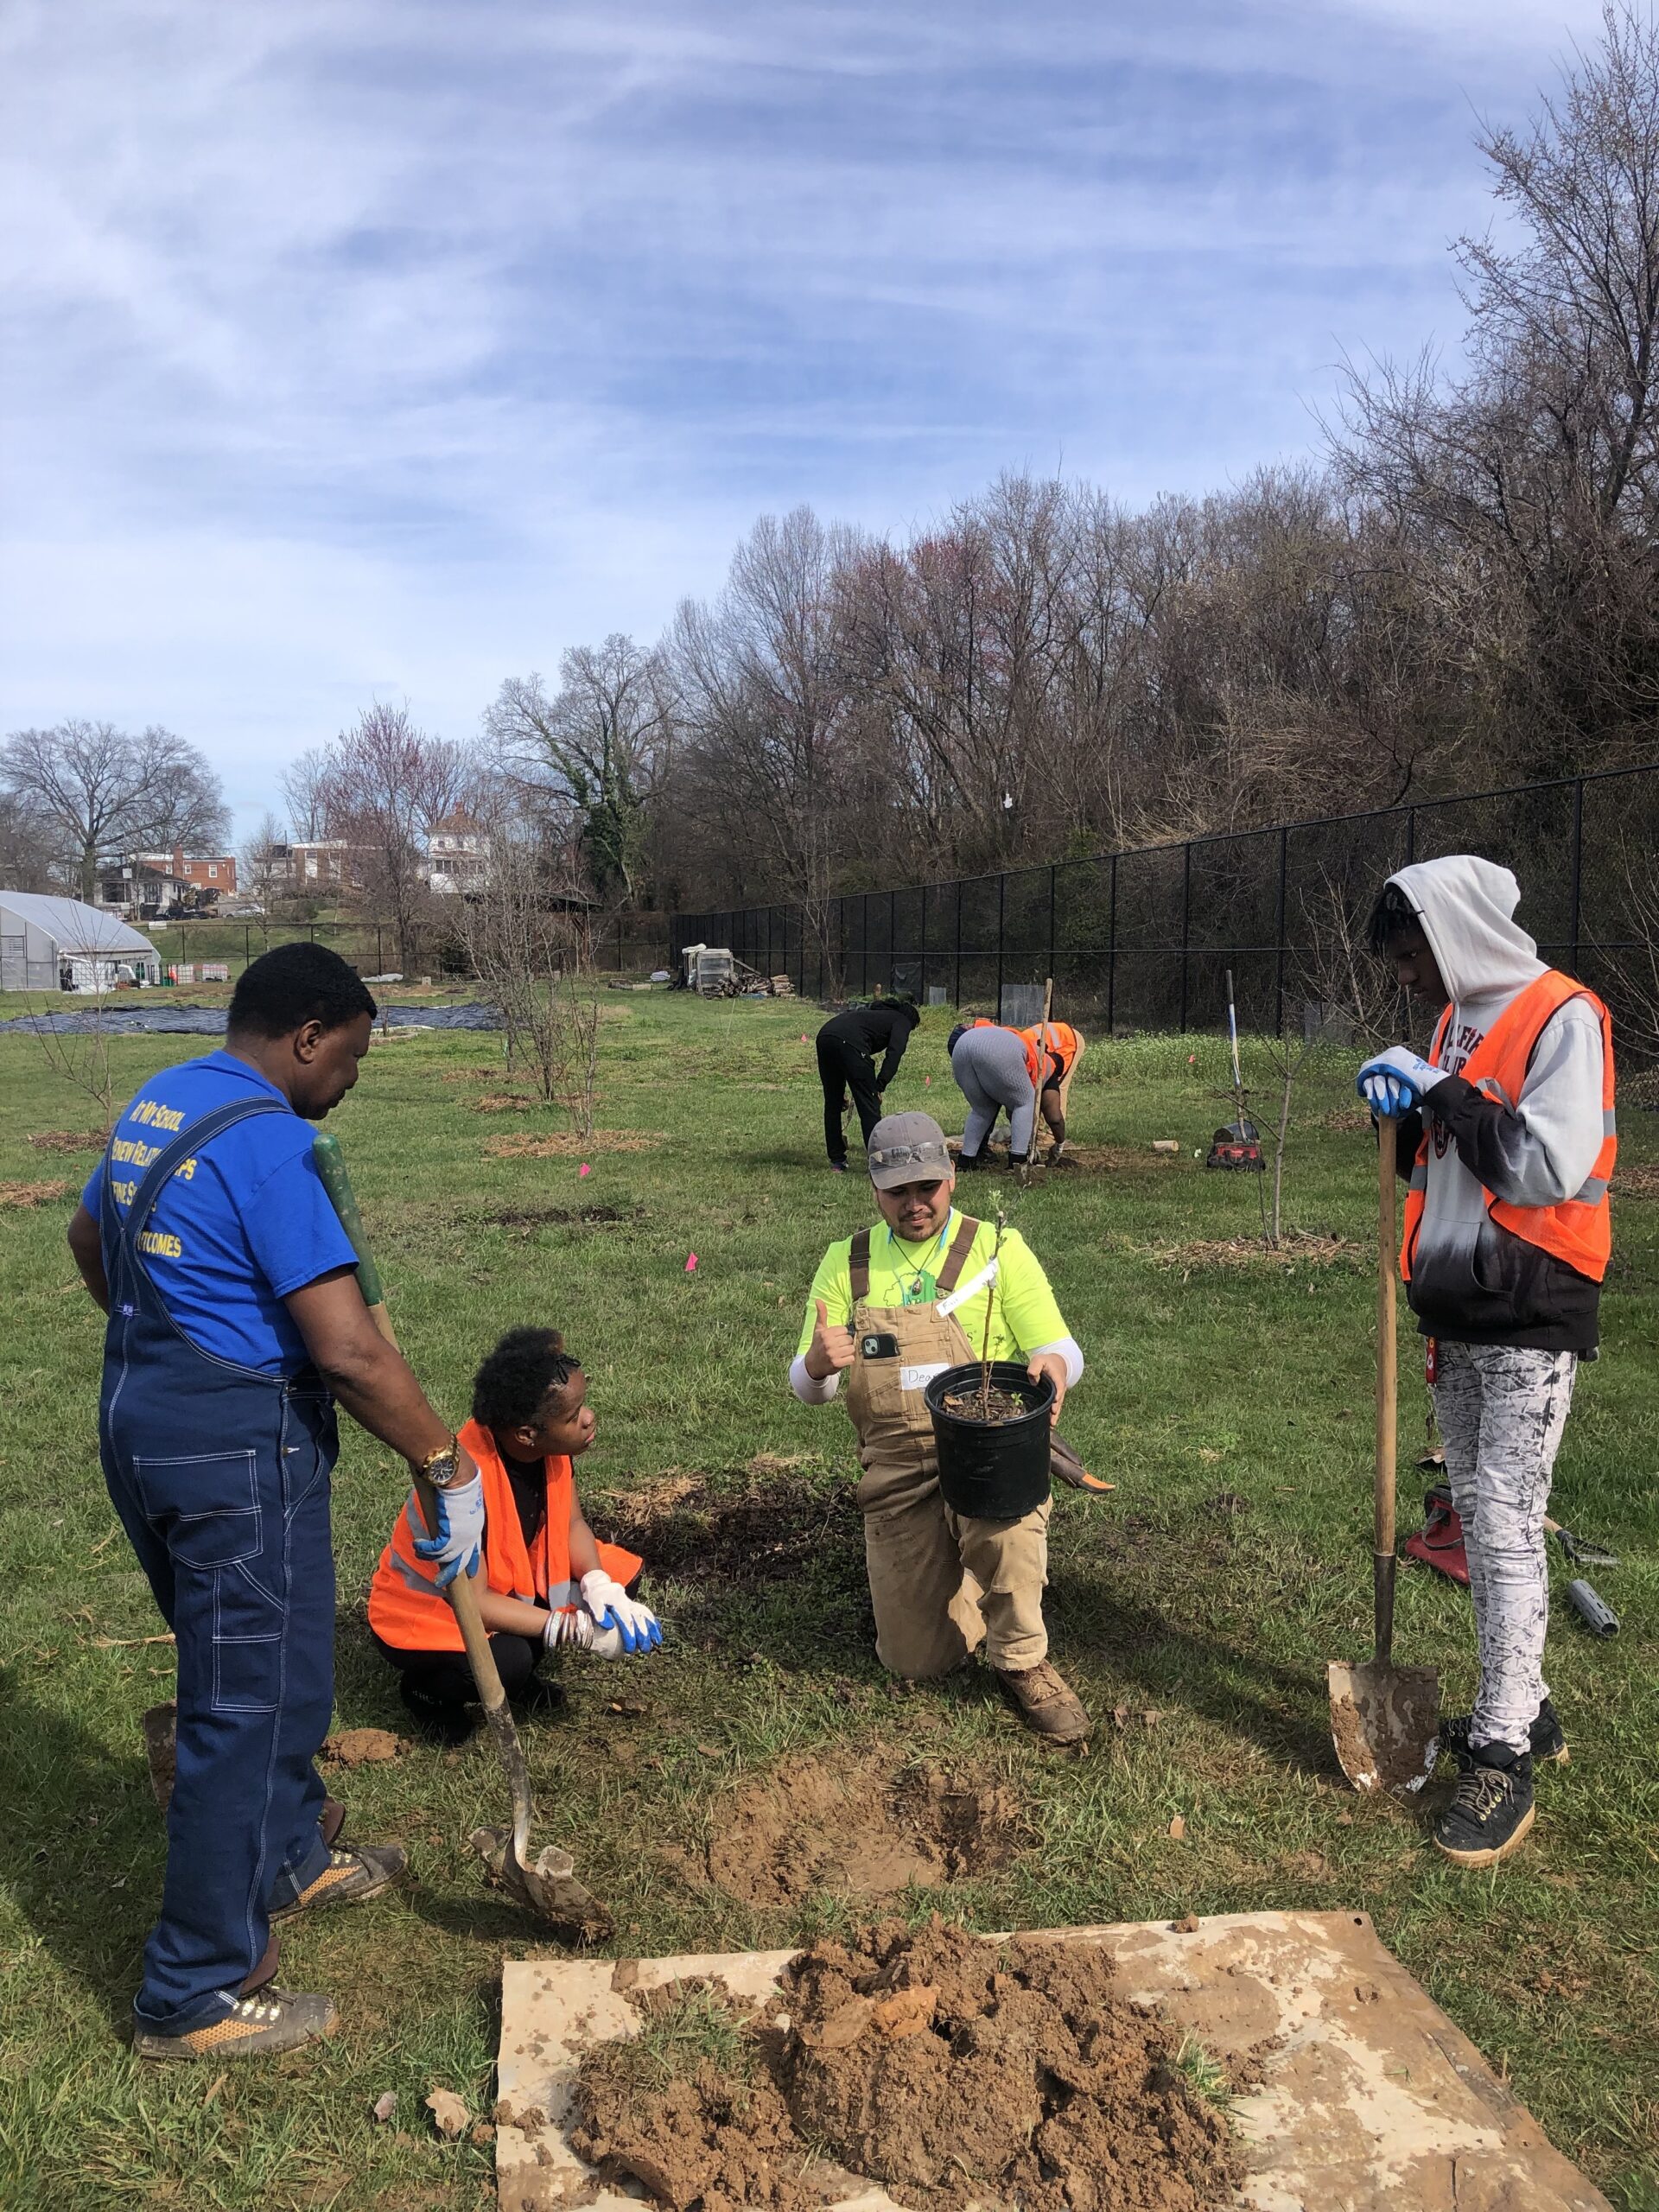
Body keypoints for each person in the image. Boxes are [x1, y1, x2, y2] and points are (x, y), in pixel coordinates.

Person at [67, 944, 490, 2062]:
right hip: (234, 1460)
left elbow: (87, 1238)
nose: (349, 1081)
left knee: (289, 1659)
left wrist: (175, 1345)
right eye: (349, 1059)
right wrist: (446, 1464)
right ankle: (193, 1988)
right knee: (237, 1710)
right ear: (307, 1037)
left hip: (146, 1426)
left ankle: (290, 1854)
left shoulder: (162, 1101)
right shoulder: (270, 1146)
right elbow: (349, 1352)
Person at [1357, 855, 1615, 1869]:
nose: (1406, 976)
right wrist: (1403, 1111)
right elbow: (1448, 1148)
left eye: (1411, 955)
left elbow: (1543, 1163)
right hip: (1458, 1299)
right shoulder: (1455, 1020)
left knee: (1505, 1520)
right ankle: (1528, 1705)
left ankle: (1504, 1752)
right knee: (1476, 1505)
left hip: (1529, 1304)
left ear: (1455, 934)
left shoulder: (1564, 1017)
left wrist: (1441, 1091)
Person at [790, 1110, 1090, 1741]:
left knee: (1008, 1521)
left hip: (987, 1451)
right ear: (875, 1190)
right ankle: (972, 1580)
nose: (915, 1205)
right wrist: (816, 1365)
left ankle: (1023, 1660)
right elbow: (811, 1389)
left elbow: (1061, 1347)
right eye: (897, 1192)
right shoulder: (847, 1262)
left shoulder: (997, 1248)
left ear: (951, 1175)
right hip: (896, 1468)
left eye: (927, 1187)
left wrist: (1057, 1367)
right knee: (915, 1661)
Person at [369, 1327, 659, 1740]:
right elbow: (475, 1603)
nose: (589, 1418)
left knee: (620, 1581)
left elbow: (572, 1525)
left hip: (503, 1585)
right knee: (509, 1660)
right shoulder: (461, 1485)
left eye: (583, 1406)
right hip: (431, 1608)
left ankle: (521, 1676)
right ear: (526, 1433)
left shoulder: (547, 1447)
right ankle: (427, 1692)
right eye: (573, 1417)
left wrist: (599, 1584)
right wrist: (572, 1629)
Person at [815, 997, 921, 1171]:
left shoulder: (873, 1014)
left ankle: (837, 1161)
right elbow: (895, 1053)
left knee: (833, 1103)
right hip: (849, 1042)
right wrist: (879, 1086)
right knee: (869, 1106)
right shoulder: (902, 1020)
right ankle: (878, 1161)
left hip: (825, 1036)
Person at [948, 1019, 1042, 1170]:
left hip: (962, 1044)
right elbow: (1023, 1102)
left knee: (981, 1110)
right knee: (1026, 1102)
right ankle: (1017, 1162)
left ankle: (967, 1161)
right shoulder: (1044, 1062)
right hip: (997, 1047)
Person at [1018, 1019, 1086, 1163]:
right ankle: (1037, 1130)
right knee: (1038, 1087)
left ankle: (1052, 1135)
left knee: (1056, 1088)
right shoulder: (1021, 1046)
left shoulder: (1027, 1047)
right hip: (1051, 1045)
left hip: (1068, 1043)